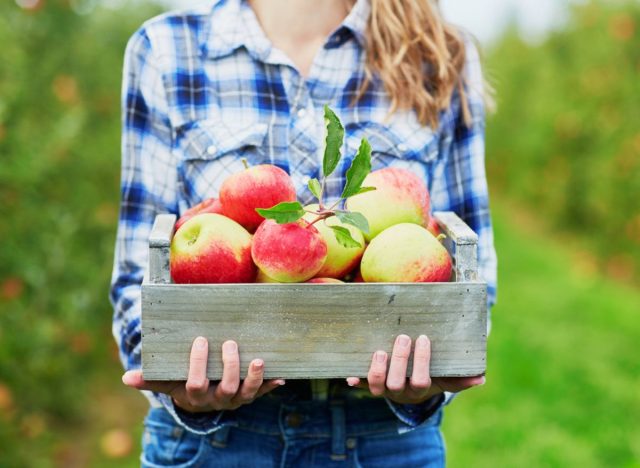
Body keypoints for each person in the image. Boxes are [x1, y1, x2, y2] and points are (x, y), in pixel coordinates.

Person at [110, 0, 497, 465]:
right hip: (214, 444)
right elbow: (137, 270)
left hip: (383, 438)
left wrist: (431, 379)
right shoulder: (167, 49)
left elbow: (472, 270)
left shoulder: (437, 52)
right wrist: (176, 378)